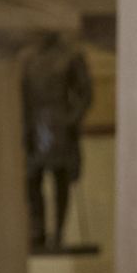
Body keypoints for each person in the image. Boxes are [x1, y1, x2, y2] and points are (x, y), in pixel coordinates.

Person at [22, 31, 93, 251]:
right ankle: (38, 230)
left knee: (60, 178)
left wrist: (71, 118)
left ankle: (58, 233)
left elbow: (85, 92)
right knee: (33, 179)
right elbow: (22, 96)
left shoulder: (70, 56)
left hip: (60, 125)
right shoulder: (28, 59)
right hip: (36, 125)